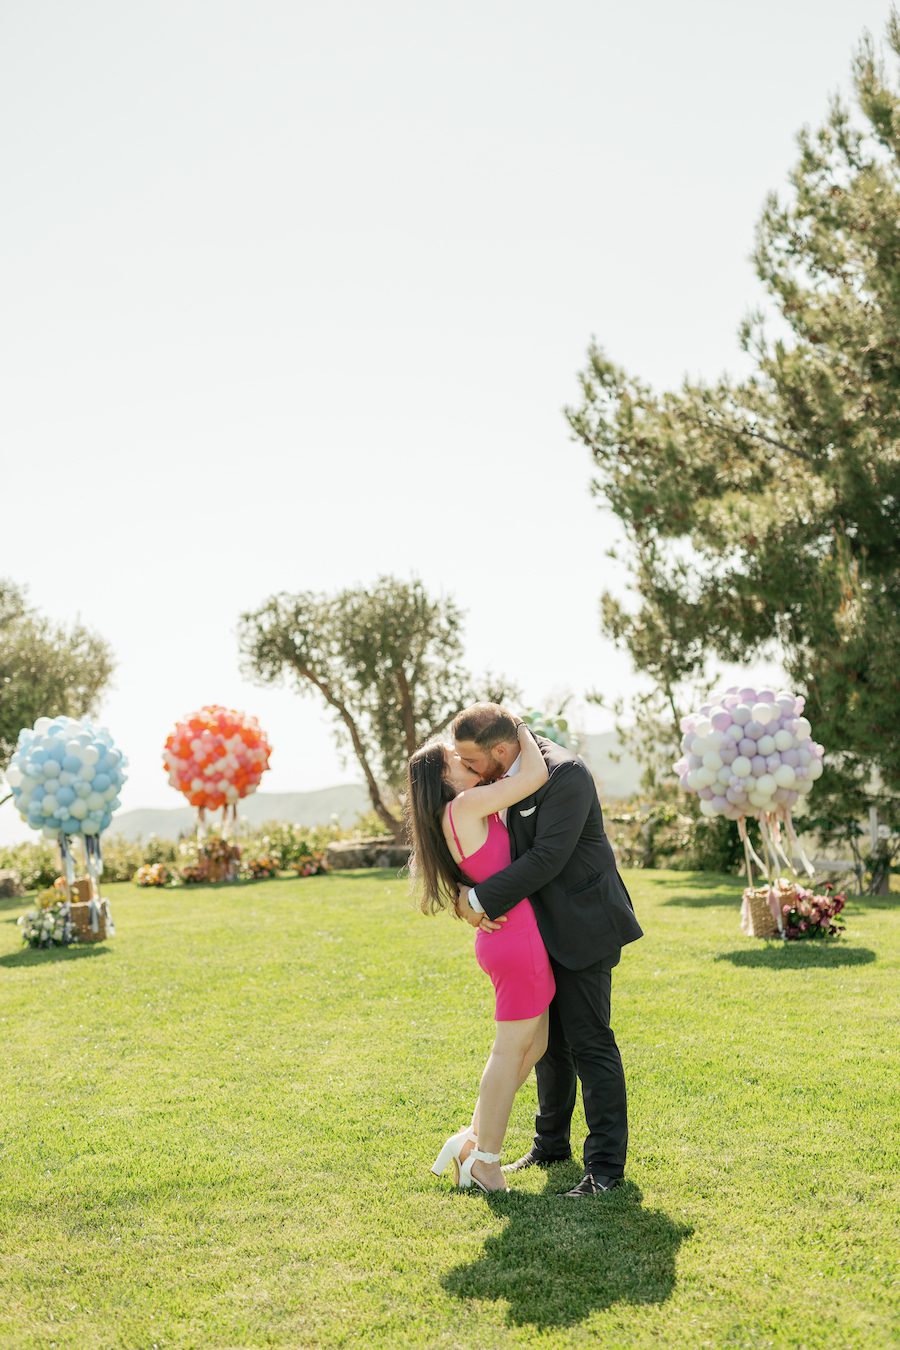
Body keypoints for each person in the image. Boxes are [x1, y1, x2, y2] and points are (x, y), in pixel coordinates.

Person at [452, 703, 643, 1197]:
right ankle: (549, 1144)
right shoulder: (503, 779)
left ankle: (604, 1171)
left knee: (590, 1044)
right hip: (536, 933)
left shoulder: (566, 774)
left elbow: (547, 857)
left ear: (500, 749)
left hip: (583, 925)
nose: (469, 773)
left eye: (472, 762)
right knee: (549, 1049)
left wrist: (478, 900)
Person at [406, 719, 555, 1192]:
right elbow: (534, 777)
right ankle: (485, 1160)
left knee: (535, 1046)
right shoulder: (467, 805)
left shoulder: (458, 812)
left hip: (509, 936)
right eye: (460, 761)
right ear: (447, 781)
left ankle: (471, 1140)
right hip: (516, 939)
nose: (471, 764)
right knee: (510, 1050)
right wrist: (518, 727)